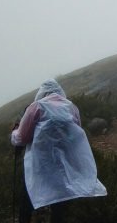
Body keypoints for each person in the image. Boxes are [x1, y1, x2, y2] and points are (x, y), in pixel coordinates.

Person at [11, 79, 107, 223]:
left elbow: (22, 138)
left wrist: (14, 133)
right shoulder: (71, 107)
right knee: (60, 196)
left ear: (42, 93)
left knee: (28, 194)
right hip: (64, 160)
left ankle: (25, 219)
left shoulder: (36, 107)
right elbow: (76, 133)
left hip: (41, 161)